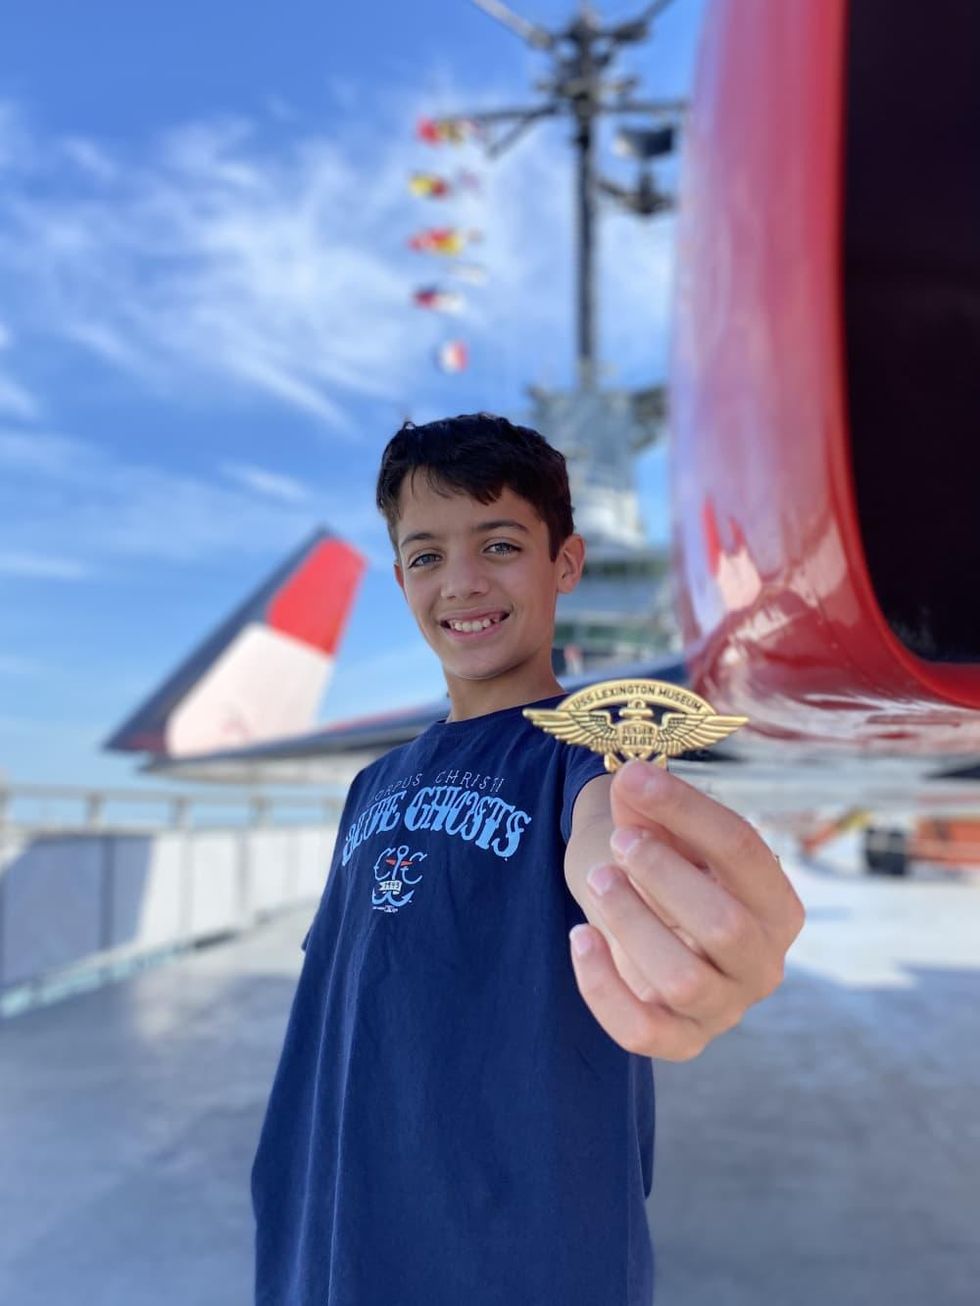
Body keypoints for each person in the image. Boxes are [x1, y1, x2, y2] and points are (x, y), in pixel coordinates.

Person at [250, 412, 805, 1305]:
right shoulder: (372, 784)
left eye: (499, 544)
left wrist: (661, 919)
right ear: (400, 579)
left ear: (566, 564)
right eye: (427, 556)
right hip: (323, 1243)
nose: (462, 583)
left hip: (524, 1261)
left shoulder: (583, 760)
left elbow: (607, 837)